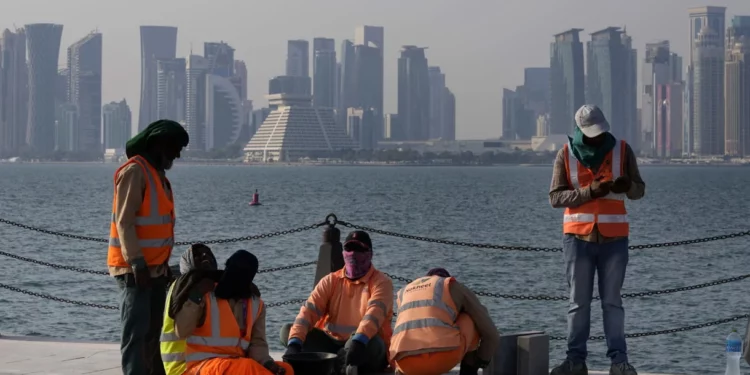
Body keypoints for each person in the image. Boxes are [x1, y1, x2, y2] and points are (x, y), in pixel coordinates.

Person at [548, 105, 645, 375]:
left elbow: (639, 190)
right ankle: (575, 361)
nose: (596, 138)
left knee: (612, 302)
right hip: (578, 239)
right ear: (579, 130)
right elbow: (555, 197)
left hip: (614, 240)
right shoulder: (564, 154)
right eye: (591, 134)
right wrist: (590, 192)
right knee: (578, 303)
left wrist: (629, 187)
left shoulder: (623, 150)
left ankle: (619, 362)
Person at [108, 119, 189, 375]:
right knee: (136, 334)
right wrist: (138, 263)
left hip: (156, 271)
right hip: (135, 271)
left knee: (155, 333)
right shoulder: (135, 172)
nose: (177, 154)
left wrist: (162, 267)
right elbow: (125, 222)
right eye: (175, 147)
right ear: (159, 145)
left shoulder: (158, 176)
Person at [281, 230, 393, 374]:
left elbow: (374, 315)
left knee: (374, 344)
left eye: (359, 249)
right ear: (343, 253)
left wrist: (358, 341)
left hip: (363, 343)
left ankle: (337, 362)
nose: (353, 254)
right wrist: (294, 344)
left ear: (370, 253)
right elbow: (307, 313)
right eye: (349, 249)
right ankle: (338, 363)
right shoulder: (330, 280)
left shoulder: (381, 282)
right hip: (331, 343)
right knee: (287, 331)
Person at [174, 250, 293, 375]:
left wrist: (268, 363)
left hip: (235, 365)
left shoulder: (256, 304)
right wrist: (196, 296)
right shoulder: (205, 295)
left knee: (287, 369)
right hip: (201, 366)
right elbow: (181, 331)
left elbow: (258, 344)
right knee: (246, 367)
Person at [390, 268, 499, 375]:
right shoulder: (451, 285)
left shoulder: (404, 292)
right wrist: (482, 360)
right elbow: (491, 333)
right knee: (471, 318)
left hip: (405, 364)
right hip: (442, 359)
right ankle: (468, 372)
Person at [160, 244, 220, 375]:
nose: (204, 256)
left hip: (204, 364)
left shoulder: (213, 287)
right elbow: (183, 330)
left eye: (207, 254)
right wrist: (196, 295)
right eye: (198, 255)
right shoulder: (183, 288)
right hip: (183, 367)